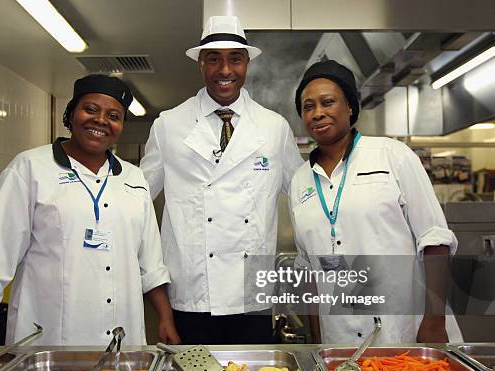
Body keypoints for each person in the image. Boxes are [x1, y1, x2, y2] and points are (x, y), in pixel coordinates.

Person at [0, 74, 180, 346]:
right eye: (90, 109)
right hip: (49, 335)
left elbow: (150, 264)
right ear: (71, 113)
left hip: (122, 335)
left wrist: (166, 319)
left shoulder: (134, 180)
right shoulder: (30, 168)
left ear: (121, 126)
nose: (101, 120)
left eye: (114, 115)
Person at [140, 16, 303, 344]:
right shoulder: (169, 125)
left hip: (252, 298)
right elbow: (136, 203)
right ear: (200, 63)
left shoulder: (274, 128)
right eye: (214, 58)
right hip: (191, 295)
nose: (225, 70)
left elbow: (306, 198)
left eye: (235, 59)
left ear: (247, 64)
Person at [289, 59, 462, 344]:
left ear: (350, 108)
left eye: (328, 102)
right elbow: (308, 270)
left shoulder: (392, 155)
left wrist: (434, 322)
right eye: (308, 107)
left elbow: (435, 241)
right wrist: (317, 342)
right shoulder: (300, 181)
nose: (318, 113)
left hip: (406, 330)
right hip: (340, 339)